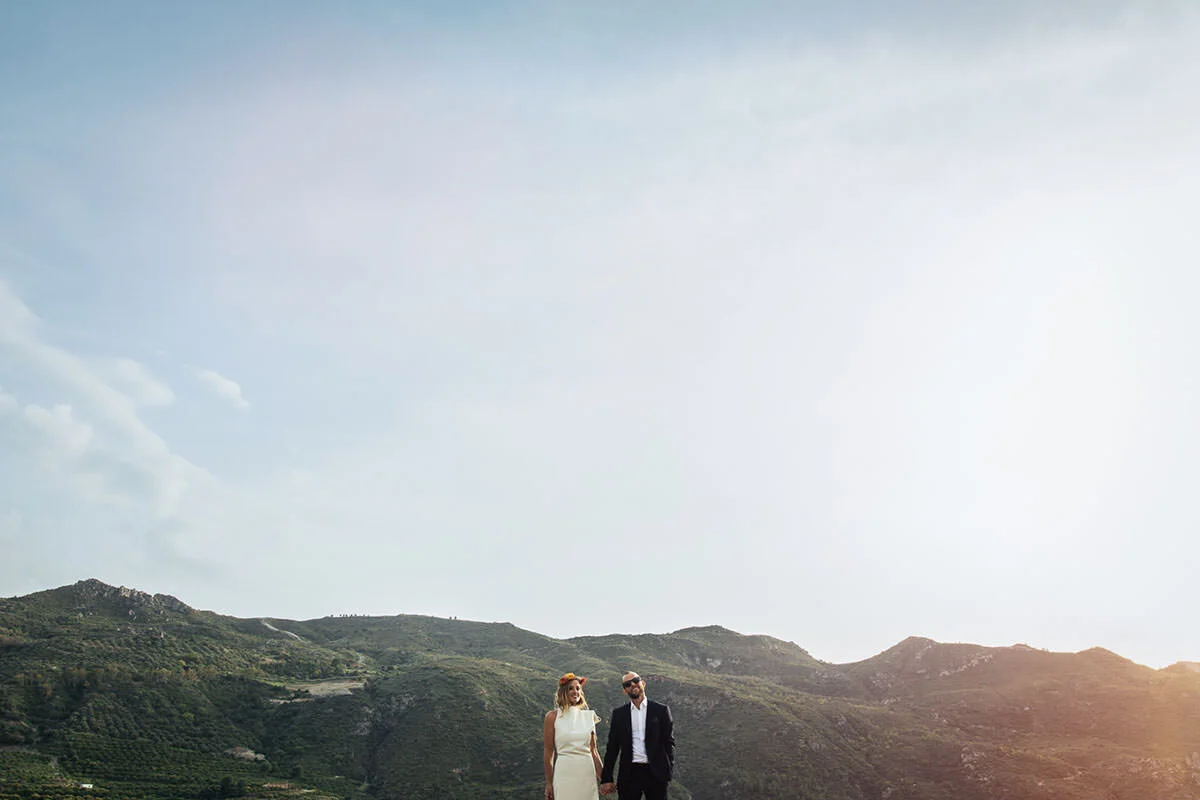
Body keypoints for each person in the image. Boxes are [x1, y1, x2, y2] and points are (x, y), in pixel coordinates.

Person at [599, 672, 675, 799]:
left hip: (656, 772)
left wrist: (668, 769)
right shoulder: (619, 714)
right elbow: (612, 748)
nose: (633, 684)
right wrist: (607, 778)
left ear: (643, 683)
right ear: (625, 690)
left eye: (635, 680)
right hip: (629, 773)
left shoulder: (661, 710)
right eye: (628, 684)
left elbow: (669, 742)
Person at [543, 672, 603, 800]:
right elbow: (549, 752)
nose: (575, 691)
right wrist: (549, 783)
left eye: (578, 688)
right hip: (564, 774)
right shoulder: (552, 717)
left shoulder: (589, 716)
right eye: (571, 688)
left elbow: (594, 752)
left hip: (587, 774)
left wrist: (606, 779)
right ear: (563, 691)